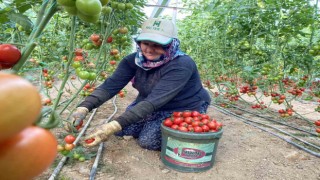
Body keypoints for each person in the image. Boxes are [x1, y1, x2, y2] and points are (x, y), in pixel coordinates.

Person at [67, 18, 211, 151]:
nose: (149, 49)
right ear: (139, 42)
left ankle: (191, 123)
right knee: (122, 130)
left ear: (170, 44)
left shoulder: (181, 65)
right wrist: (84, 107)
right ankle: (152, 122)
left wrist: (113, 125)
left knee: (148, 141)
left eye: (157, 45)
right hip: (149, 103)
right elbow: (110, 86)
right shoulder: (133, 61)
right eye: (145, 43)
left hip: (182, 107)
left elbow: (154, 101)